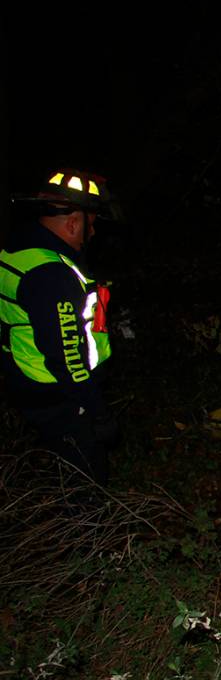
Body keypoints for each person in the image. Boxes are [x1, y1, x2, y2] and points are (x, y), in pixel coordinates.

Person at [1, 168, 117, 483]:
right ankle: (87, 531)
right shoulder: (52, 275)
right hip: (62, 400)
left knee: (64, 474)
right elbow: (67, 355)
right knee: (87, 484)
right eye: (90, 225)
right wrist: (97, 411)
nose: (91, 234)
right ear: (72, 223)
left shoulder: (18, 252)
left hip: (29, 386)